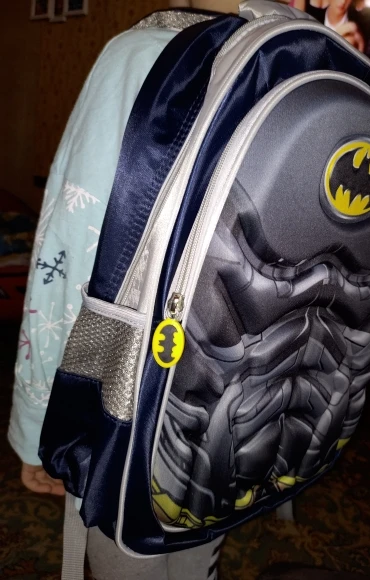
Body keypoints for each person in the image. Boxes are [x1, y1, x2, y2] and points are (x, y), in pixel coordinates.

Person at [7, 6, 228, 580]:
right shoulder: (301, 58)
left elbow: (69, 255)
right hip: (241, 410)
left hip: (130, 410)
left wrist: (37, 425)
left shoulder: (142, 54)